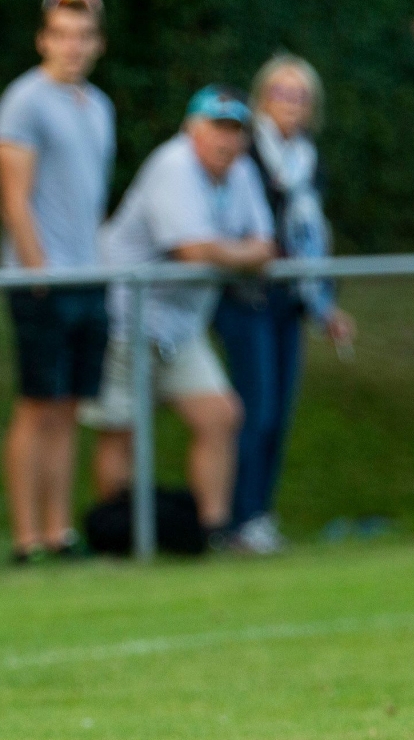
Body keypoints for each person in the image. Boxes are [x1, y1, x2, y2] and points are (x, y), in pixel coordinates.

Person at [82, 87, 276, 539]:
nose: (227, 141)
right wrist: (242, 253)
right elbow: (192, 251)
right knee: (120, 432)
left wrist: (227, 252)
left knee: (220, 415)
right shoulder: (172, 165)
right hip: (125, 318)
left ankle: (211, 534)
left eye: (236, 131)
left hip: (182, 326)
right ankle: (118, 536)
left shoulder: (242, 171)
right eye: (217, 128)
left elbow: (266, 243)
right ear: (192, 129)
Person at [210, 54, 357, 554]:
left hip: (291, 299)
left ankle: (259, 515)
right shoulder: (247, 154)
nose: (290, 105)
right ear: (261, 100)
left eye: (299, 96)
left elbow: (314, 240)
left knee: (280, 413)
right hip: (247, 297)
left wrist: (325, 305)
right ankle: (238, 518)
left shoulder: (309, 161)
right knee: (256, 410)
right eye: (279, 94)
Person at [0, 0, 115, 564]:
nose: (73, 46)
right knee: (36, 403)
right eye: (62, 34)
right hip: (41, 279)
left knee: (69, 406)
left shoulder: (99, 105)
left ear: (98, 43)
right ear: (43, 39)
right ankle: (24, 537)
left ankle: (59, 531)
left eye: (84, 35)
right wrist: (37, 273)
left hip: (89, 275)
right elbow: (14, 199)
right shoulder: (24, 101)